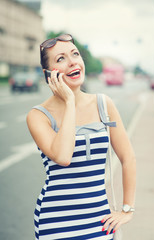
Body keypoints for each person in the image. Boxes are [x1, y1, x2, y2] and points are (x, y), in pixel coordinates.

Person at [27, 34, 136, 240]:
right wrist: (69, 102)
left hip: (100, 221)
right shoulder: (38, 116)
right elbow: (63, 157)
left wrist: (127, 210)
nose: (72, 62)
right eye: (60, 59)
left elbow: (128, 158)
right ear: (48, 73)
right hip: (56, 222)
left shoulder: (104, 104)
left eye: (75, 54)